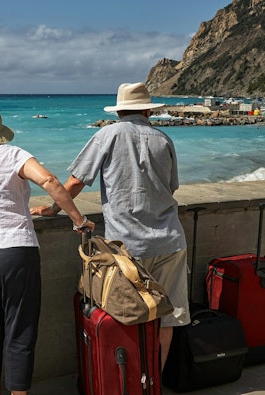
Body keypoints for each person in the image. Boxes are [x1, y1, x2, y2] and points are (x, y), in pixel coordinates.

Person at [31, 82, 190, 371]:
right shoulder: (163, 139)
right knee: (168, 317)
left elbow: (76, 181)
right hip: (170, 241)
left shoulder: (107, 135)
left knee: (126, 315)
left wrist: (54, 208)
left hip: (127, 247)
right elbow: (171, 188)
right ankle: (153, 383)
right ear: (148, 110)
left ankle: (129, 383)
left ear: (118, 111)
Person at [0, 107, 95, 395]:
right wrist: (77, 219)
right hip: (15, 252)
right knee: (20, 331)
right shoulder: (14, 155)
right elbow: (51, 182)